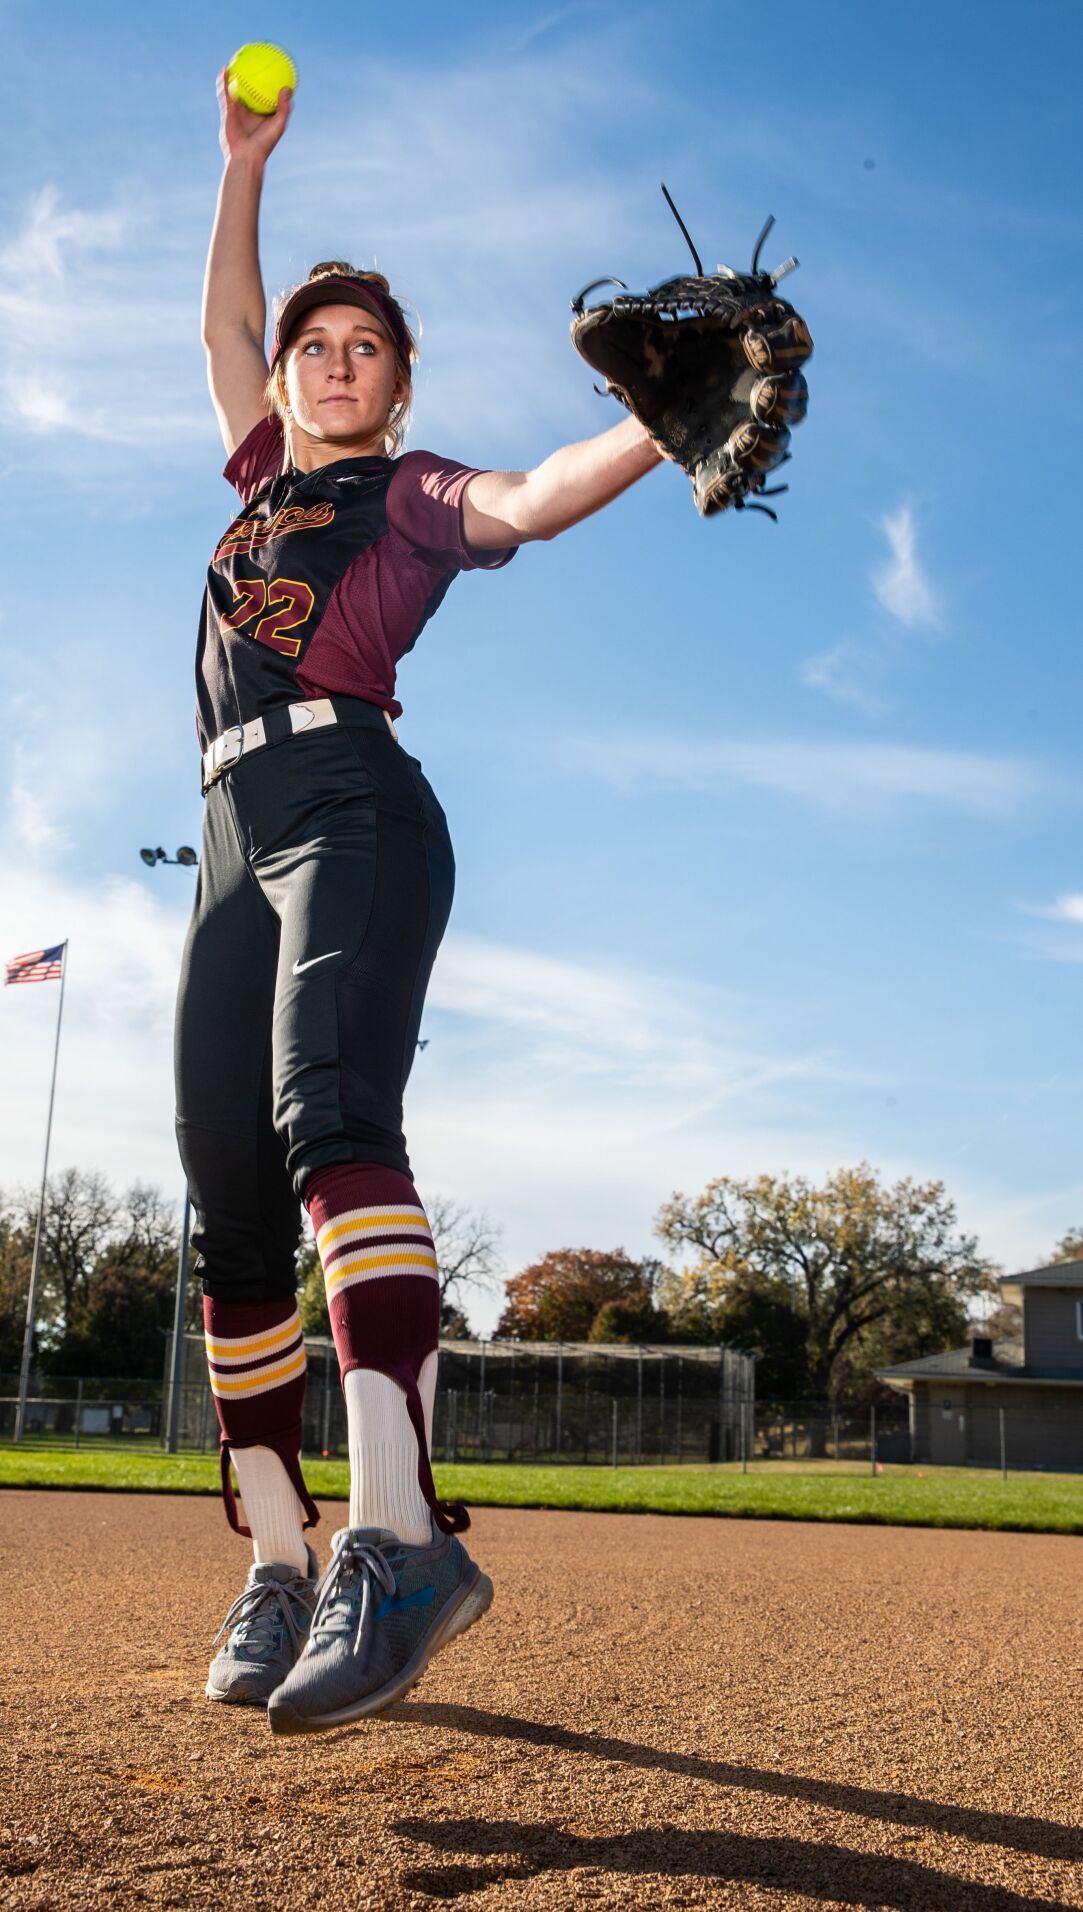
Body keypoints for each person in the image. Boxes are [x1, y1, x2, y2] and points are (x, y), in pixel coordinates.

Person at [180, 68, 664, 1737]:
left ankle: (401, 1538)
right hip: (229, 830)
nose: (326, 355)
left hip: (350, 804)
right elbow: (226, 319)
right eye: (318, 340)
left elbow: (528, 499)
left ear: (392, 391)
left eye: (360, 347)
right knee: (227, 1213)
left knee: (329, 1120)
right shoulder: (261, 476)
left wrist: (664, 419)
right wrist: (242, 172)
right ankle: (280, 1552)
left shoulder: (404, 489)